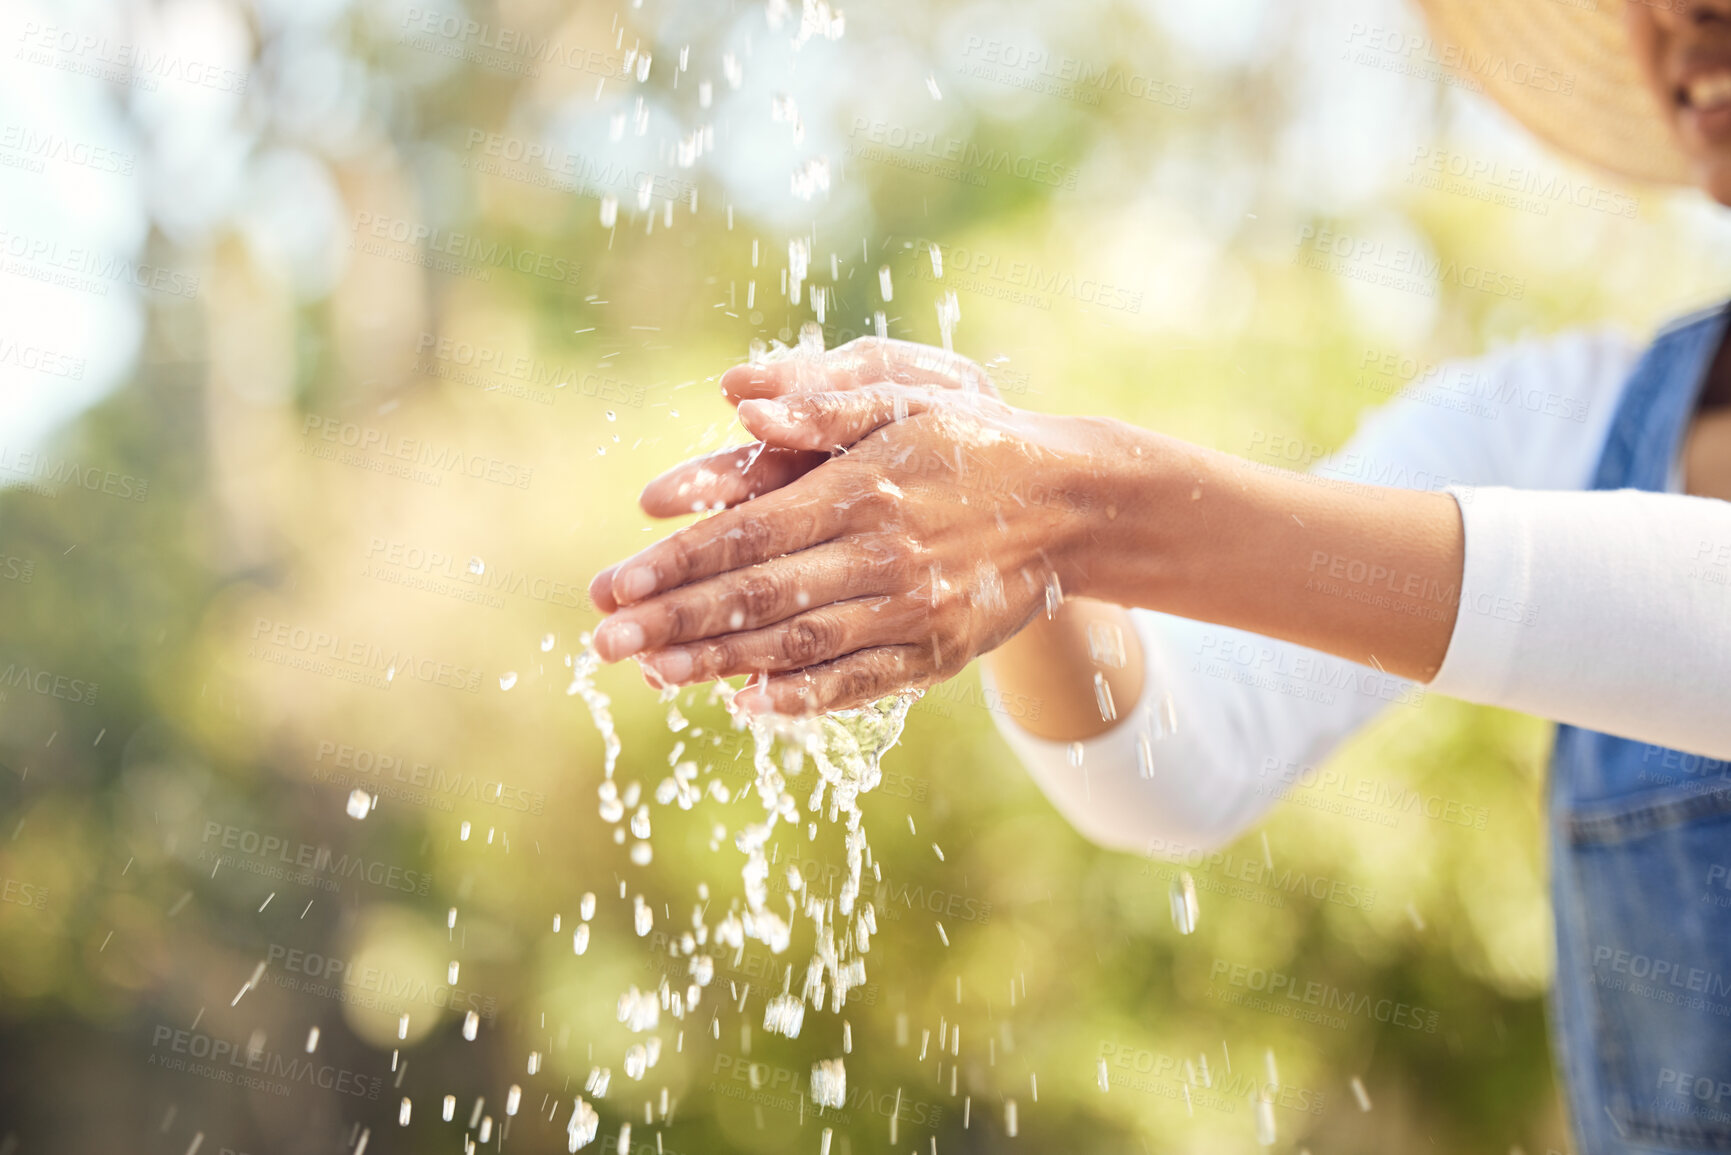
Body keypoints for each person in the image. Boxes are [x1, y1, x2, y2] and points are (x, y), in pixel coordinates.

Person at [589, 2, 1731, 1151]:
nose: (1680, 17)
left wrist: (1085, 506)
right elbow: (1180, 764)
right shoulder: (1562, 418)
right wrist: (1029, 554)